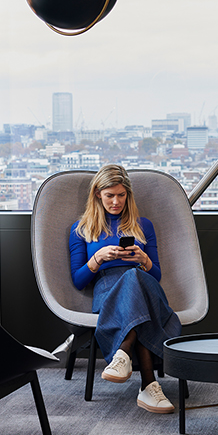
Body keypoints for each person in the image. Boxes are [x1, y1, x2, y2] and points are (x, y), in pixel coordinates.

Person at [68, 164, 182, 413]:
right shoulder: (82, 230)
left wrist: (143, 260)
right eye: (110, 195)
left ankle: (122, 353)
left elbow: (156, 274)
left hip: (146, 287)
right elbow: (78, 280)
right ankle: (149, 386)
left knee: (134, 278)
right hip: (108, 291)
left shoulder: (144, 225)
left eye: (121, 195)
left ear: (128, 195)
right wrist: (97, 258)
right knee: (135, 300)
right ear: (98, 194)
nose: (116, 201)